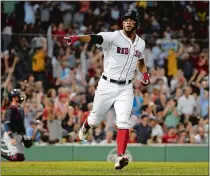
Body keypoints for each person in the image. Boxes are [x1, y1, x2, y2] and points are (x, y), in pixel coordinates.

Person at [64, 9, 150, 170]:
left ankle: (119, 157)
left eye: (131, 20)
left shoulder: (141, 43)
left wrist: (144, 74)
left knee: (124, 121)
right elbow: (94, 37)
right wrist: (77, 38)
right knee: (95, 120)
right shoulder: (113, 36)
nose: (128, 22)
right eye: (126, 20)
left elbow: (140, 60)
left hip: (126, 87)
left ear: (136, 23)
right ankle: (87, 125)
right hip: (107, 85)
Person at [1, 89, 31, 161]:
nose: (21, 96)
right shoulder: (10, 109)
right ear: (14, 98)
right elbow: (6, 124)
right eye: (18, 95)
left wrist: (24, 135)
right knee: (15, 157)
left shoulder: (20, 108)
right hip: (11, 134)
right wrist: (11, 137)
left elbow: (21, 124)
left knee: (21, 157)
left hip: (18, 134)